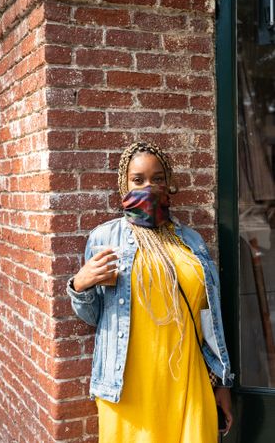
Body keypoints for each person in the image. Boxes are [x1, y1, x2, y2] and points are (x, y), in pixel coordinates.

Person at [67, 142, 234, 443]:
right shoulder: (106, 238)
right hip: (129, 390)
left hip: (189, 383)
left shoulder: (192, 242)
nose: (149, 187)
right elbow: (94, 318)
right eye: (138, 179)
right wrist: (80, 285)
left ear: (169, 184)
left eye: (158, 179)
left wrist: (222, 382)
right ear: (124, 185)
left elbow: (209, 318)